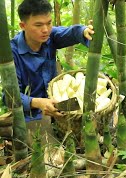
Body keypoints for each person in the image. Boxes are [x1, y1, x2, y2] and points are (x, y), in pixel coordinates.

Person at [9, 0, 94, 145]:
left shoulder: (50, 36)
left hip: (59, 106)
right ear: (23, 26)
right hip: (30, 114)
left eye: (49, 23)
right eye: (38, 25)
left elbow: (72, 32)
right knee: (52, 155)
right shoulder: (11, 53)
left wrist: (85, 31)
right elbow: (10, 97)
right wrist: (38, 102)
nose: (45, 29)